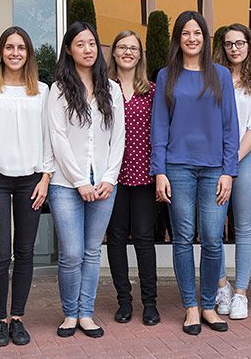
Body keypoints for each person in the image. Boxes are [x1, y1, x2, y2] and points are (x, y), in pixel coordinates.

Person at [150, 10, 239, 335]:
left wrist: (229, 171)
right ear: (178, 38)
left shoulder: (220, 75)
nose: (191, 38)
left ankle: (209, 306)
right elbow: (159, 125)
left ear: (205, 38)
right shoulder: (166, 76)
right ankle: (190, 307)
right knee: (183, 239)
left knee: (214, 239)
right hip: (178, 168)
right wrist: (159, 171)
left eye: (197, 33)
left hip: (214, 168)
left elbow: (231, 126)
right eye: (186, 33)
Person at [0, 26, 53, 347]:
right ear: (1, 51)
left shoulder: (42, 91)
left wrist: (46, 177)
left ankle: (17, 318)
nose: (15, 53)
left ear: (28, 53)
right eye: (9, 47)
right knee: (0, 254)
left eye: (21, 48)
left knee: (25, 252)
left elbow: (48, 139)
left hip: (31, 181)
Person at [48, 22, 125, 339]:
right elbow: (58, 138)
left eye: (92, 43)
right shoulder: (59, 90)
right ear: (69, 50)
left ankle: (86, 313)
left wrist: (109, 177)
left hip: (105, 182)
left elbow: (118, 138)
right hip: (66, 184)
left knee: (93, 251)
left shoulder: (112, 89)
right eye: (80, 44)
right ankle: (69, 313)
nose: (88, 49)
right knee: (72, 253)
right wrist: (80, 180)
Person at [212, 23, 251, 320]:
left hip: (249, 157)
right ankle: (221, 286)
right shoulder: (214, 79)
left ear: (250, 46)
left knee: (245, 227)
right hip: (217, 160)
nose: (234, 48)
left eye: (240, 43)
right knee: (213, 226)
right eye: (228, 44)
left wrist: (233, 159)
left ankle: (241, 294)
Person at [105, 30, 160, 326]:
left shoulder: (151, 90)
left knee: (143, 238)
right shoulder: (102, 88)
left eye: (133, 48)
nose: (127, 52)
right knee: (115, 238)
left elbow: (160, 132)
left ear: (140, 55)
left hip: (143, 176)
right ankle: (124, 301)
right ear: (113, 53)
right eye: (122, 47)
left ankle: (149, 302)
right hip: (111, 176)